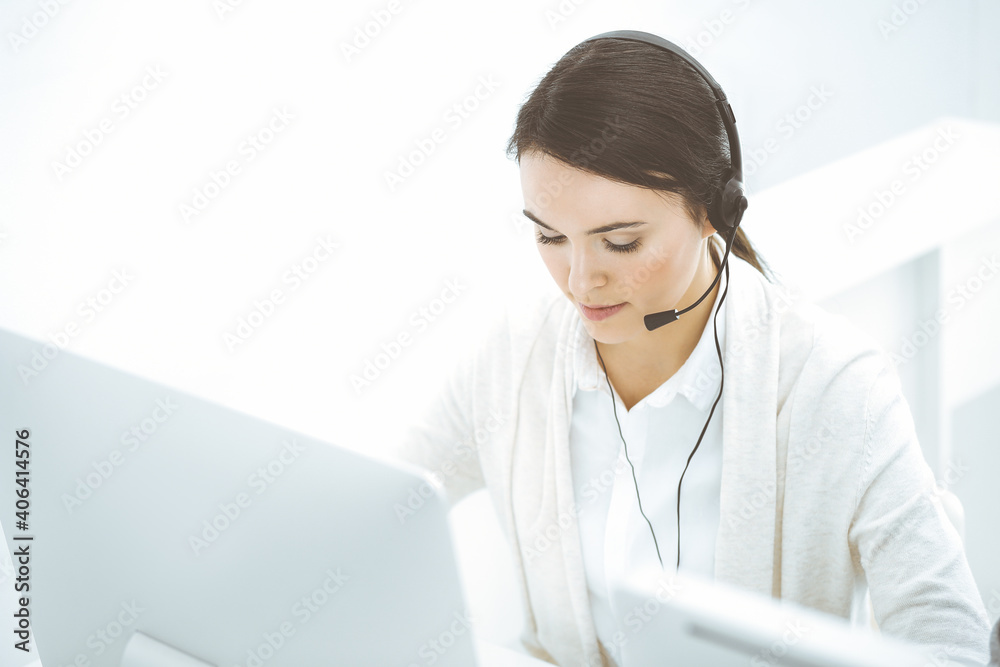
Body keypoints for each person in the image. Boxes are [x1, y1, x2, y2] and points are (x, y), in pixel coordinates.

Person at [392, 31, 992, 666]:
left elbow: (947, 642)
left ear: (715, 211)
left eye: (619, 242)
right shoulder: (512, 358)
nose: (579, 280)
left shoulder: (833, 387)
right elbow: (378, 510)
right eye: (550, 237)